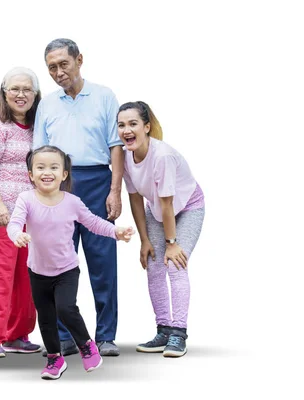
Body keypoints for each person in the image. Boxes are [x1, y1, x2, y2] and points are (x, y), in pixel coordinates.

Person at [7, 145, 134, 380]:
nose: (47, 172)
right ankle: (55, 359)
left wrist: (116, 232)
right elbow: (14, 223)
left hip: (66, 270)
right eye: (41, 167)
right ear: (31, 174)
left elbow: (95, 223)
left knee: (65, 308)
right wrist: (17, 235)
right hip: (37, 271)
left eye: (54, 167)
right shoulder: (25, 199)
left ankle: (86, 345)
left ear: (64, 174)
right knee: (46, 318)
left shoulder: (72, 202)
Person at [33, 38, 124, 357]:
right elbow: (39, 152)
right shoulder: (48, 104)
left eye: (63, 64)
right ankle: (64, 337)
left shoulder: (104, 96)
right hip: (58, 186)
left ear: (79, 60)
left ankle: (106, 335)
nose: (58, 72)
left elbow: (116, 146)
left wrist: (115, 190)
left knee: (103, 262)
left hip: (98, 182)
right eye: (51, 68)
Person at [118, 101, 205, 358]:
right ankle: (163, 330)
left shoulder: (163, 156)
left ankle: (179, 334)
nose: (127, 130)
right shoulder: (125, 156)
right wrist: (144, 240)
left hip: (187, 206)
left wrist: (172, 242)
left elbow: (168, 204)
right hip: (157, 209)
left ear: (146, 127)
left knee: (175, 263)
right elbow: (135, 199)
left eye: (133, 124)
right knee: (153, 265)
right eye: (121, 125)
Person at [0, 67, 43, 358]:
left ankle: (17, 335)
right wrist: (0, 206)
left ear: (36, 94)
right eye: (14, 89)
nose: (20, 94)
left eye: (27, 89)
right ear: (4, 93)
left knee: (27, 279)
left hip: (30, 215)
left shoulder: (38, 126)